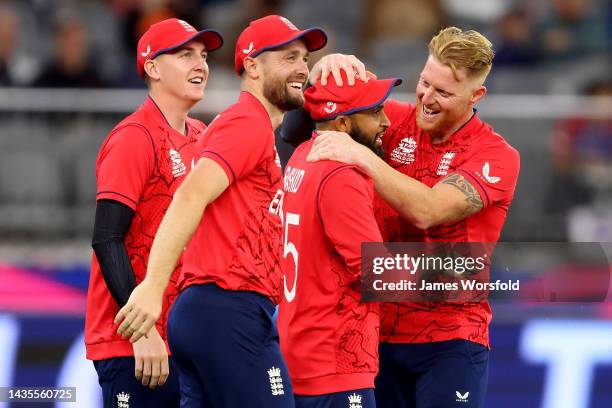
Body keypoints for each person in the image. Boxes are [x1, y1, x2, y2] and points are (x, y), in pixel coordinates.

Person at [285, 27, 521, 408]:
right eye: (425, 83)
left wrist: (360, 155)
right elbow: (299, 131)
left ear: (477, 96)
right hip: (377, 333)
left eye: (443, 92)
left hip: (449, 337)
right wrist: (321, 76)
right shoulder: (391, 120)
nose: (427, 98)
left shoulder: (495, 155)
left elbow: (428, 211)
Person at [113, 15, 330, 407]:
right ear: (251, 66)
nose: (302, 68)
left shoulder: (248, 126)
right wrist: (152, 287)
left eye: (305, 59)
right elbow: (190, 196)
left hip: (212, 312)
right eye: (289, 57)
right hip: (230, 310)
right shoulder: (246, 124)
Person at [84, 18, 223, 408]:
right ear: (152, 67)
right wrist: (142, 332)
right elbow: (107, 237)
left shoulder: (201, 135)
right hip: (136, 343)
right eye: (185, 55)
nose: (200, 64)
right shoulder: (134, 137)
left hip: (183, 336)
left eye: (203, 55)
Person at [278, 70, 401, 408]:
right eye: (375, 111)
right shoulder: (341, 175)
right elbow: (380, 273)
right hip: (334, 363)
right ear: (343, 126)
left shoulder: (302, 156)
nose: (387, 120)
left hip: (301, 353)